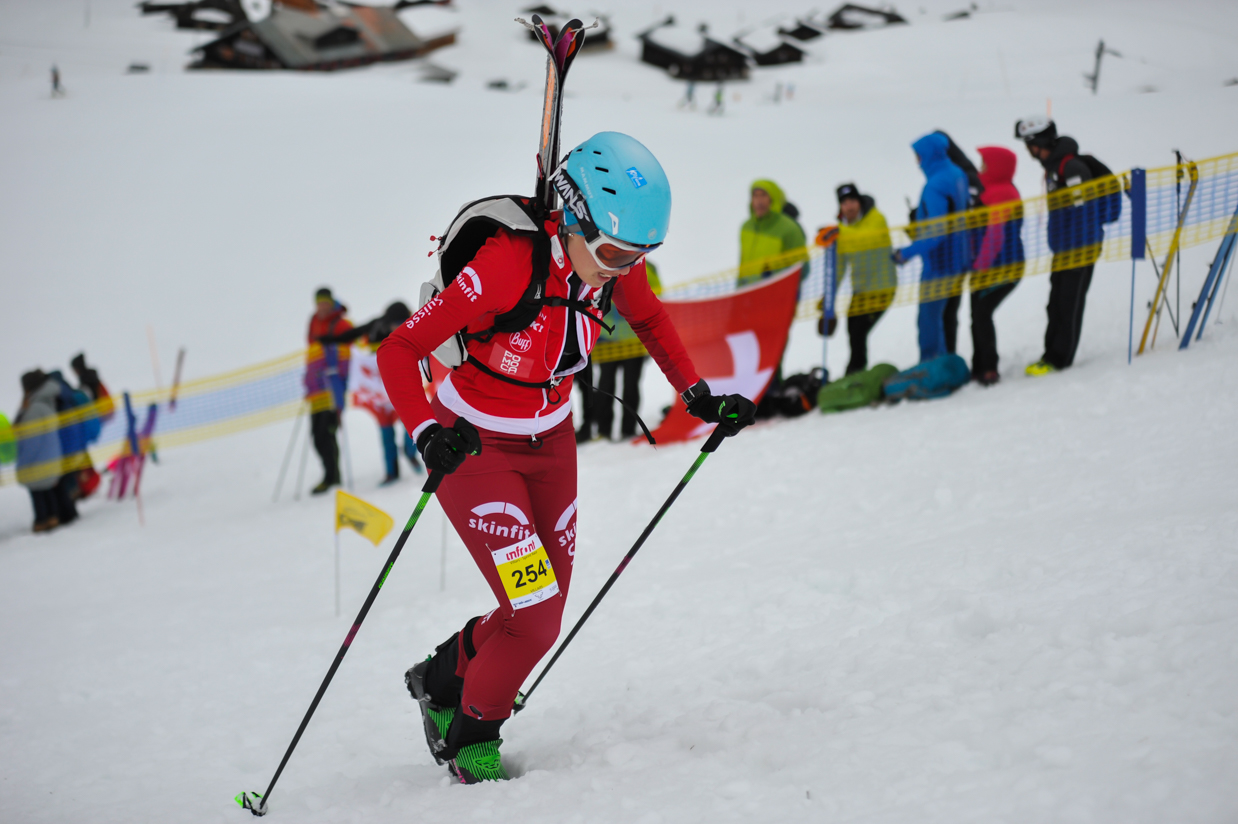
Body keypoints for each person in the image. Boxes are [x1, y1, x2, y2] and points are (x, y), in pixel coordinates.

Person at [377, 132, 756, 784]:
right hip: (476, 448)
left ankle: (441, 678)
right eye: (613, 252)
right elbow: (398, 350)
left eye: (638, 256)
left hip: (552, 446)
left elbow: (653, 320)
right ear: (573, 218)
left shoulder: (607, 268)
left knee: (536, 603)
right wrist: (422, 432)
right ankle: (471, 738)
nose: (621, 268)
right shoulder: (504, 264)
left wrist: (696, 395)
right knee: (535, 614)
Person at [1016, 116, 1102, 376]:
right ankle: (1050, 355)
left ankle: (1059, 359)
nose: (1029, 151)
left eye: (1030, 145)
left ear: (1040, 143)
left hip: (1079, 249)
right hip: (1064, 249)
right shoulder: (1054, 168)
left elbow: (1083, 208)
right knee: (1055, 304)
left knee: (1068, 303)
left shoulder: (1071, 167)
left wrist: (1075, 243)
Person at [317, 301, 423, 484]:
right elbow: (354, 333)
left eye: (402, 323)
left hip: (401, 386)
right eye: (395, 323)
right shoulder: (377, 325)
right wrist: (331, 340)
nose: (398, 327)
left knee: (411, 422)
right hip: (378, 389)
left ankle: (410, 451)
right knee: (385, 429)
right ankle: (391, 472)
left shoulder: (414, 324)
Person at [893, 133, 973, 364]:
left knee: (929, 319)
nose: (917, 161)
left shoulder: (934, 185)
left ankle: (931, 367)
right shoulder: (957, 174)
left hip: (939, 263)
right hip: (960, 257)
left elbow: (937, 232)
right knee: (946, 316)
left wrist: (905, 253)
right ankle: (946, 365)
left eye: (918, 156)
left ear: (929, 155)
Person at [968, 146, 1026, 384]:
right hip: (986, 266)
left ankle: (989, 368)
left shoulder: (1002, 193)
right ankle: (978, 365)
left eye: (984, 163)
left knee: (982, 314)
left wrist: (979, 265)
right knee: (977, 315)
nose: (981, 168)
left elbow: (995, 235)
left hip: (1002, 267)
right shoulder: (989, 190)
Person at [828, 183, 897, 375]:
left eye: (852, 201)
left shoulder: (876, 218)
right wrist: (828, 298)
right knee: (852, 331)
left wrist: (838, 234)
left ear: (859, 201)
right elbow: (839, 266)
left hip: (882, 288)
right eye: (844, 203)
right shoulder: (842, 229)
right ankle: (855, 371)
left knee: (859, 331)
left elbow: (866, 239)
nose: (849, 206)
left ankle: (856, 371)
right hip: (860, 291)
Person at [591, 261, 663, 441]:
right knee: (607, 386)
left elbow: (655, 298)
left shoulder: (647, 268)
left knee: (627, 386)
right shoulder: (606, 262)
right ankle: (605, 430)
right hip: (610, 339)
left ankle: (626, 430)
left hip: (631, 340)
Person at [14, 370, 76, 532]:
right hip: (50, 459)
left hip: (36, 462)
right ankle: (54, 517)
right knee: (47, 491)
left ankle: (42, 521)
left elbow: (30, 441)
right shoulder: (47, 403)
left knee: (38, 494)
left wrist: (22, 463)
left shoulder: (34, 409)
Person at [305, 288, 353, 494]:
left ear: (331, 302)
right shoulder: (314, 321)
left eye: (324, 303)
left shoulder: (340, 323)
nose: (321, 307)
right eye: (318, 303)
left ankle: (332, 476)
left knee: (327, 434)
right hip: (316, 391)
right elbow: (312, 348)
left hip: (332, 390)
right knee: (317, 435)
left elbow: (349, 350)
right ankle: (330, 474)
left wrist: (342, 383)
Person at [739, 179, 808, 286]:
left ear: (773, 199)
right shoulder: (746, 227)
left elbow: (803, 269)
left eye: (763, 195)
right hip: (749, 295)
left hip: (778, 295)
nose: (759, 201)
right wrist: (739, 292)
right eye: (755, 196)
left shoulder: (790, 228)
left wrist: (775, 277)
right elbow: (742, 268)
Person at [69, 353, 111, 497]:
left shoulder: (85, 382)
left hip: (91, 420)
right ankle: (91, 482)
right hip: (97, 417)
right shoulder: (93, 377)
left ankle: (89, 483)